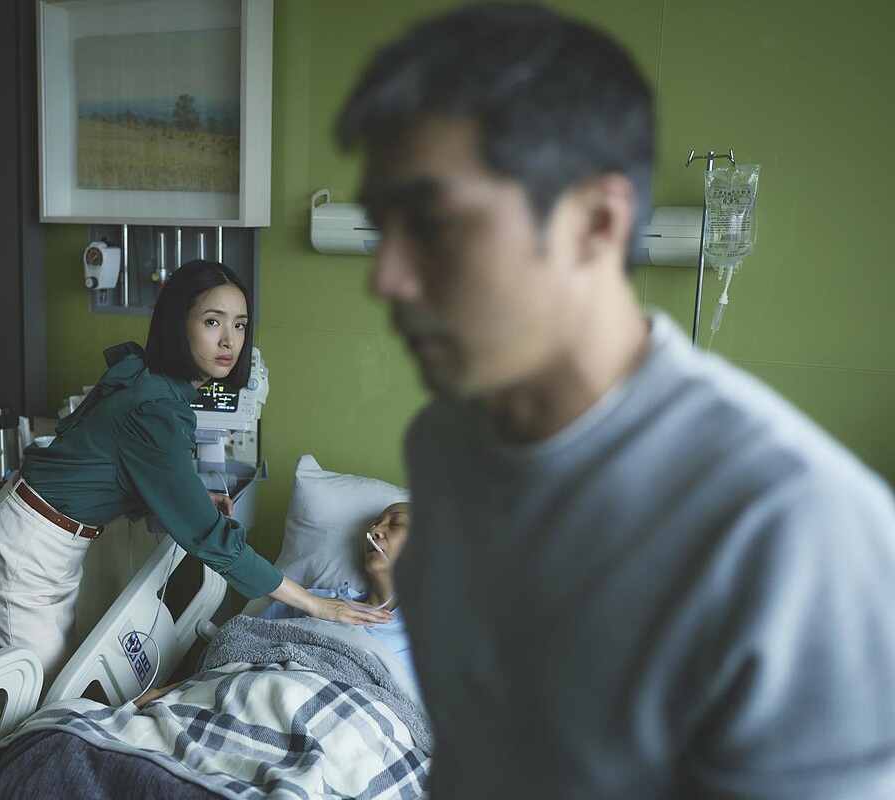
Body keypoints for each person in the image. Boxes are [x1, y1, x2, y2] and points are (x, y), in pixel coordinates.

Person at [336, 4, 895, 798]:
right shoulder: (444, 443)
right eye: (380, 228)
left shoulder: (793, 532)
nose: (385, 279)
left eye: (433, 224)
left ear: (596, 223)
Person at [0, 260, 391, 686]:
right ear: (177, 323)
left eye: (240, 325)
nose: (229, 340)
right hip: (25, 555)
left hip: (34, 536)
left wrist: (192, 497)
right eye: (212, 322)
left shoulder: (150, 379)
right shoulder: (157, 409)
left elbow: (130, 466)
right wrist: (316, 604)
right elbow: (213, 540)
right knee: (35, 706)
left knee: (15, 693)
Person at [258, 501, 418, 688]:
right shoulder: (312, 599)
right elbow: (250, 637)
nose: (374, 531)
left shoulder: (425, 633)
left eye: (396, 523)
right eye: (374, 524)